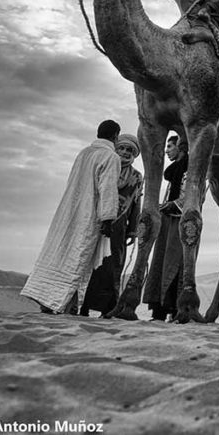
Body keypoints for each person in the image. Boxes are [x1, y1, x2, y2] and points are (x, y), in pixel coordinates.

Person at [21, 120, 122, 314]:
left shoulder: (83, 153)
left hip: (67, 212)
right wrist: (108, 218)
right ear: (116, 136)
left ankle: (51, 300)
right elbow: (107, 189)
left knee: (62, 255)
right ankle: (63, 304)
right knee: (80, 259)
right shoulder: (110, 156)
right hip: (88, 215)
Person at [80, 133, 143, 316]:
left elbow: (135, 204)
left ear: (134, 154)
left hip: (119, 227)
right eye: (121, 148)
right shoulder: (107, 167)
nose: (124, 152)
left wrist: (132, 231)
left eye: (129, 150)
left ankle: (108, 309)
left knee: (112, 267)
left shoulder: (137, 177)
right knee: (91, 264)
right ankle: (82, 307)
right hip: (97, 222)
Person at [144, 135, 188, 321]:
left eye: (170, 146)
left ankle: (178, 309)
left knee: (177, 261)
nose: (167, 150)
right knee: (161, 261)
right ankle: (159, 310)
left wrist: (174, 205)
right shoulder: (174, 172)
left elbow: (194, 194)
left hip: (182, 221)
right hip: (167, 220)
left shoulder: (190, 169)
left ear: (180, 147)